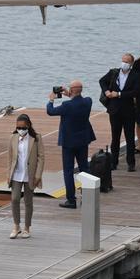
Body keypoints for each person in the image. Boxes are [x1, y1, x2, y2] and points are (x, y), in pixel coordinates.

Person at [46, 80, 96, 209]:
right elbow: (78, 101)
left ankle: (71, 200)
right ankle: (88, 196)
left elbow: (50, 111)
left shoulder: (66, 105)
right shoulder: (88, 102)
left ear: (72, 90)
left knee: (68, 171)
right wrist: (70, 94)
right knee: (84, 168)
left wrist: (51, 99)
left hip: (68, 142)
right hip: (83, 140)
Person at [6, 113, 45, 238]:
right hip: (16, 173)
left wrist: (38, 175)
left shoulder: (36, 138)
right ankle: (16, 226)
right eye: (18, 128)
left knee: (28, 201)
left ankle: (27, 227)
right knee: (15, 199)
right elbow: (10, 158)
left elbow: (41, 157)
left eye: (23, 128)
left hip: (30, 174)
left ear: (28, 126)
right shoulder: (13, 137)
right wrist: (8, 174)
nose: (20, 130)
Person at [99, 53, 140, 172]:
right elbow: (102, 81)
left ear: (131, 63)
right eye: (123, 61)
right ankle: (114, 162)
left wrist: (119, 94)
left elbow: (136, 91)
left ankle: (131, 163)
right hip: (115, 109)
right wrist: (106, 91)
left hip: (129, 110)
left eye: (127, 62)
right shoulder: (114, 73)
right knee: (115, 137)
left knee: (130, 137)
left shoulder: (136, 76)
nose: (124, 64)